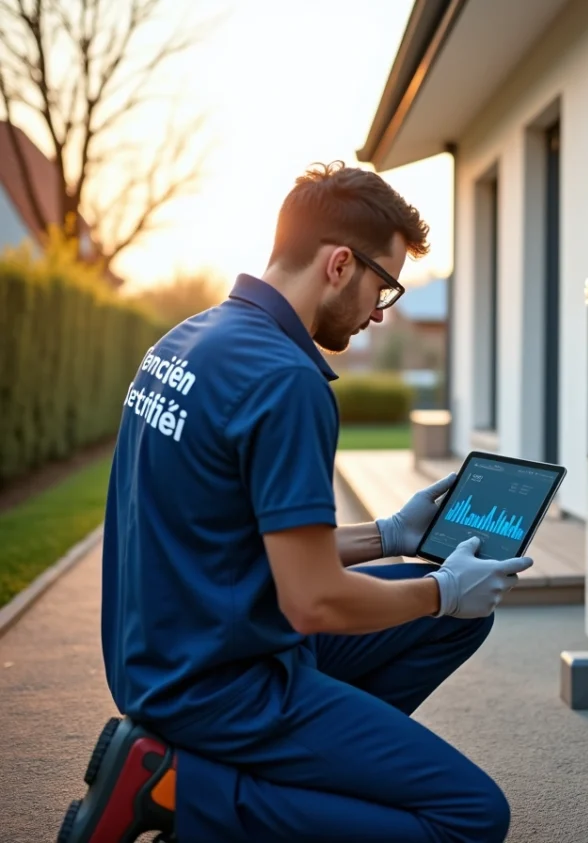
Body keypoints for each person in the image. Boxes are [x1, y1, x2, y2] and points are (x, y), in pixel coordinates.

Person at [59, 162, 533, 843]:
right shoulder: (286, 381)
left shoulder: (186, 341)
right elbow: (313, 601)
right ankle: (181, 790)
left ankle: (287, 774)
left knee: (459, 621)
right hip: (220, 681)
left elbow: (240, 540)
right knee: (472, 816)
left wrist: (391, 534)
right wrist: (442, 589)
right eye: (384, 286)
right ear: (340, 265)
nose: (380, 311)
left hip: (163, 654)